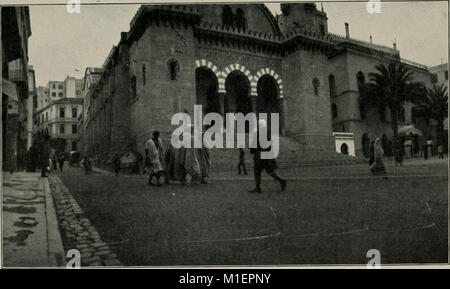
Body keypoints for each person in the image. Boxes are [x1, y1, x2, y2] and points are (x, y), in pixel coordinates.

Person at [249, 119, 286, 194]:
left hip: (260, 155)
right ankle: (281, 180)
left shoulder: (258, 132)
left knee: (257, 172)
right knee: (269, 171)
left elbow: (253, 143)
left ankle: (258, 187)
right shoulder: (267, 132)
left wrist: (253, 150)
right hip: (267, 155)